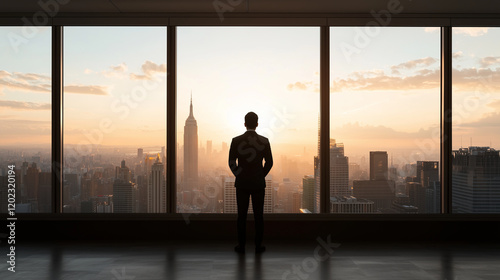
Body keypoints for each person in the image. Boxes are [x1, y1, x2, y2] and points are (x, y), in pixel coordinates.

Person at [228, 112, 273, 254]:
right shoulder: (264, 141)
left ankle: (241, 246)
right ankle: (258, 246)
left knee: (241, 216)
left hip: (242, 184)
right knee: (258, 216)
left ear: (244, 124)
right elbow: (270, 162)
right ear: (257, 124)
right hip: (258, 184)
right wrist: (261, 175)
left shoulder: (236, 140)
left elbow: (231, 162)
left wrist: (239, 175)